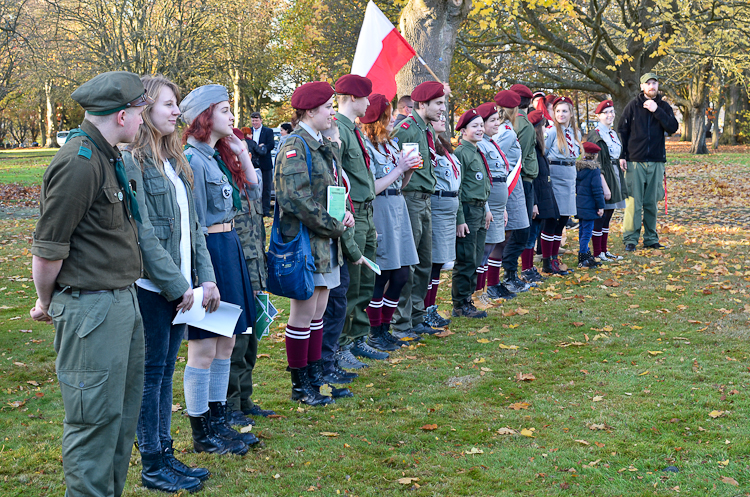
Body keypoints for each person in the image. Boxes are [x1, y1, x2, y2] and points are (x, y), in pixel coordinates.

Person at [30, 71, 152, 497]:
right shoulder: (78, 163)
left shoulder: (106, 155)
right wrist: (48, 302)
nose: (143, 121)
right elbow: (47, 251)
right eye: (140, 113)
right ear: (121, 116)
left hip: (119, 303)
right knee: (92, 426)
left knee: (118, 422)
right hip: (92, 311)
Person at [122, 75, 215, 493]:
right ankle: (153, 463)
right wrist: (178, 286)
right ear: (144, 111)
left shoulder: (174, 161)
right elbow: (144, 236)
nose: (177, 111)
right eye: (168, 105)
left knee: (163, 374)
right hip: (152, 289)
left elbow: (194, 230)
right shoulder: (133, 163)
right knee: (151, 375)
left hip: (181, 290)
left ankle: (165, 451)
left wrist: (205, 280)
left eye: (176, 105)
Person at [180, 84, 260, 455]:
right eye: (225, 110)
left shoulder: (213, 156)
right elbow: (194, 224)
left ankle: (219, 417)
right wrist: (201, 275)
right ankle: (202, 430)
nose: (233, 116)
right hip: (209, 252)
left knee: (227, 341)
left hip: (229, 250)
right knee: (204, 346)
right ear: (204, 116)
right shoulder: (193, 160)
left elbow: (251, 194)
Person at [275, 81, 355, 405]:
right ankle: (300, 385)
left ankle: (315, 377)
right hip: (308, 241)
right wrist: (334, 224)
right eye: (328, 107)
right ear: (309, 111)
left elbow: (331, 186)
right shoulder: (295, 145)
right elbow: (295, 198)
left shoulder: (322, 143)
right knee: (304, 312)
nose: (333, 112)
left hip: (325, 241)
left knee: (319, 309)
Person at [332, 74, 387, 362]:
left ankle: (357, 338)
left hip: (367, 212)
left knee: (366, 281)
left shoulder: (352, 130)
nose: (369, 103)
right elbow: (337, 179)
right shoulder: (337, 130)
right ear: (352, 98)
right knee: (351, 283)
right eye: (365, 97)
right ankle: (342, 344)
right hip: (352, 215)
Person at [360, 93, 421, 350]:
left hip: (398, 205)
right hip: (380, 208)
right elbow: (370, 187)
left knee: (402, 274)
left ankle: (385, 327)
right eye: (389, 115)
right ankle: (376, 331)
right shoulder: (366, 146)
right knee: (382, 272)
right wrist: (398, 169)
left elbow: (400, 184)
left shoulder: (391, 144)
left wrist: (407, 169)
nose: (393, 119)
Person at [228, 127, 276, 426]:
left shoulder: (246, 181)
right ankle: (231, 403)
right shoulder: (223, 181)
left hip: (255, 267)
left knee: (251, 338)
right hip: (235, 267)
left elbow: (258, 193)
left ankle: (244, 398)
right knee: (234, 342)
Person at [392, 81, 447, 335]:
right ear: (422, 104)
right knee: (410, 262)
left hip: (425, 199)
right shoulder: (406, 128)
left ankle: (416, 317)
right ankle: (401, 322)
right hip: (411, 198)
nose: (442, 109)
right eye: (438, 103)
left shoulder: (423, 128)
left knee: (424, 261)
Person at [617, 73, 679, 251]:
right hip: (635, 161)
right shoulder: (632, 106)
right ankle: (630, 239)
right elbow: (623, 130)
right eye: (648, 83)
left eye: (654, 83)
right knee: (633, 202)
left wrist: (656, 110)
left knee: (652, 202)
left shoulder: (664, 106)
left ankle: (651, 238)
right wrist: (623, 155)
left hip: (656, 161)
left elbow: (673, 127)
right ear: (642, 86)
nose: (652, 86)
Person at [452, 109, 492, 318]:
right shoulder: (462, 153)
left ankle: (467, 300)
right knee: (466, 258)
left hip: (478, 209)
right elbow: (457, 188)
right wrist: (460, 219)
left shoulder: (477, 151)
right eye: (474, 126)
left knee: (475, 257)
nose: (480, 129)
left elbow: (481, 185)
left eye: (481, 125)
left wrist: (486, 210)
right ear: (464, 130)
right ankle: (460, 304)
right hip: (467, 210)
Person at [492, 90, 531, 294]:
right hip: (508, 185)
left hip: (513, 185)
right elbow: (494, 158)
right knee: (510, 235)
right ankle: (502, 279)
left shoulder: (506, 129)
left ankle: (506, 276)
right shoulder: (506, 132)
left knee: (515, 233)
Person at [474, 102, 514, 301]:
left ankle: (482, 291)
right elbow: (484, 179)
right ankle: (478, 292)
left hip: (498, 204)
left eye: (498, 119)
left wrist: (503, 207)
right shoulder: (481, 145)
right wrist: (489, 206)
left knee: (490, 246)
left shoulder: (491, 143)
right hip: (488, 203)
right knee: (484, 249)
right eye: (492, 121)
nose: (497, 123)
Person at [424, 113, 460, 328]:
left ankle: (431, 307)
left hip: (449, 208)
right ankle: (425, 310)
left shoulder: (444, 145)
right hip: (436, 206)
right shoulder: (427, 145)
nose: (442, 119)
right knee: (432, 262)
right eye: (437, 116)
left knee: (438, 263)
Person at [543, 96, 581, 275]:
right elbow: (543, 153)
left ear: (571, 113)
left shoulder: (575, 133)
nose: (561, 114)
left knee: (564, 219)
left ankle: (555, 258)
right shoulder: (550, 131)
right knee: (553, 219)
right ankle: (547, 260)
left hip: (570, 175)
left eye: (564, 111)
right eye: (558, 111)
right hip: (555, 175)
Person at [586, 99, 627, 261]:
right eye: (606, 113)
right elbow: (593, 160)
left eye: (612, 112)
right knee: (601, 213)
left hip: (615, 173)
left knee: (609, 213)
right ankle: (597, 252)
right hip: (603, 175)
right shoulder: (595, 134)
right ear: (598, 115)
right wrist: (602, 181)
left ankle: (604, 250)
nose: (610, 115)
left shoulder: (612, 133)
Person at [510, 84, 542, 282]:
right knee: (521, 229)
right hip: (522, 179)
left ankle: (511, 273)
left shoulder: (517, 122)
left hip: (522, 178)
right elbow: (518, 154)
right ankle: (510, 273)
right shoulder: (523, 124)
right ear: (528, 102)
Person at [526, 110, 560, 280]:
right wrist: (535, 201)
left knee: (547, 225)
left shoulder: (539, 149)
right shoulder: (533, 149)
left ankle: (548, 262)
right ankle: (529, 267)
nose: (546, 131)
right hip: (538, 194)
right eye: (543, 127)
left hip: (545, 191)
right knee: (532, 234)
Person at [575, 142, 605, 268]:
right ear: (595, 156)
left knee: (582, 230)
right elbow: (597, 189)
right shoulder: (594, 170)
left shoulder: (578, 168)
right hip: (590, 206)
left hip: (580, 205)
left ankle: (586, 252)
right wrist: (601, 205)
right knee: (587, 232)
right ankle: (583, 256)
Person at [249, 112, 276, 217]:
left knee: (266, 187)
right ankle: (254, 209)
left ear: (261, 120)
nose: (254, 123)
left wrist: (262, 147)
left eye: (256, 120)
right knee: (253, 187)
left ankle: (265, 210)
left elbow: (271, 145)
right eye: (253, 121)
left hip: (265, 163)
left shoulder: (268, 131)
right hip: (252, 164)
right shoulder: (249, 131)